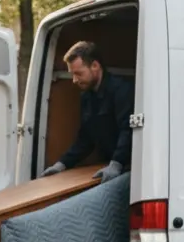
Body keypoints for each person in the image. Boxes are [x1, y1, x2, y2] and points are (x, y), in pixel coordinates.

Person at [40, 41, 135, 183]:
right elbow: (85, 138)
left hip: (130, 168)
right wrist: (62, 164)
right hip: (109, 166)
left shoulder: (121, 90)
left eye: (78, 73)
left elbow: (127, 131)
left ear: (95, 66)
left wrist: (116, 164)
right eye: (72, 74)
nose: (74, 80)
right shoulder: (87, 96)